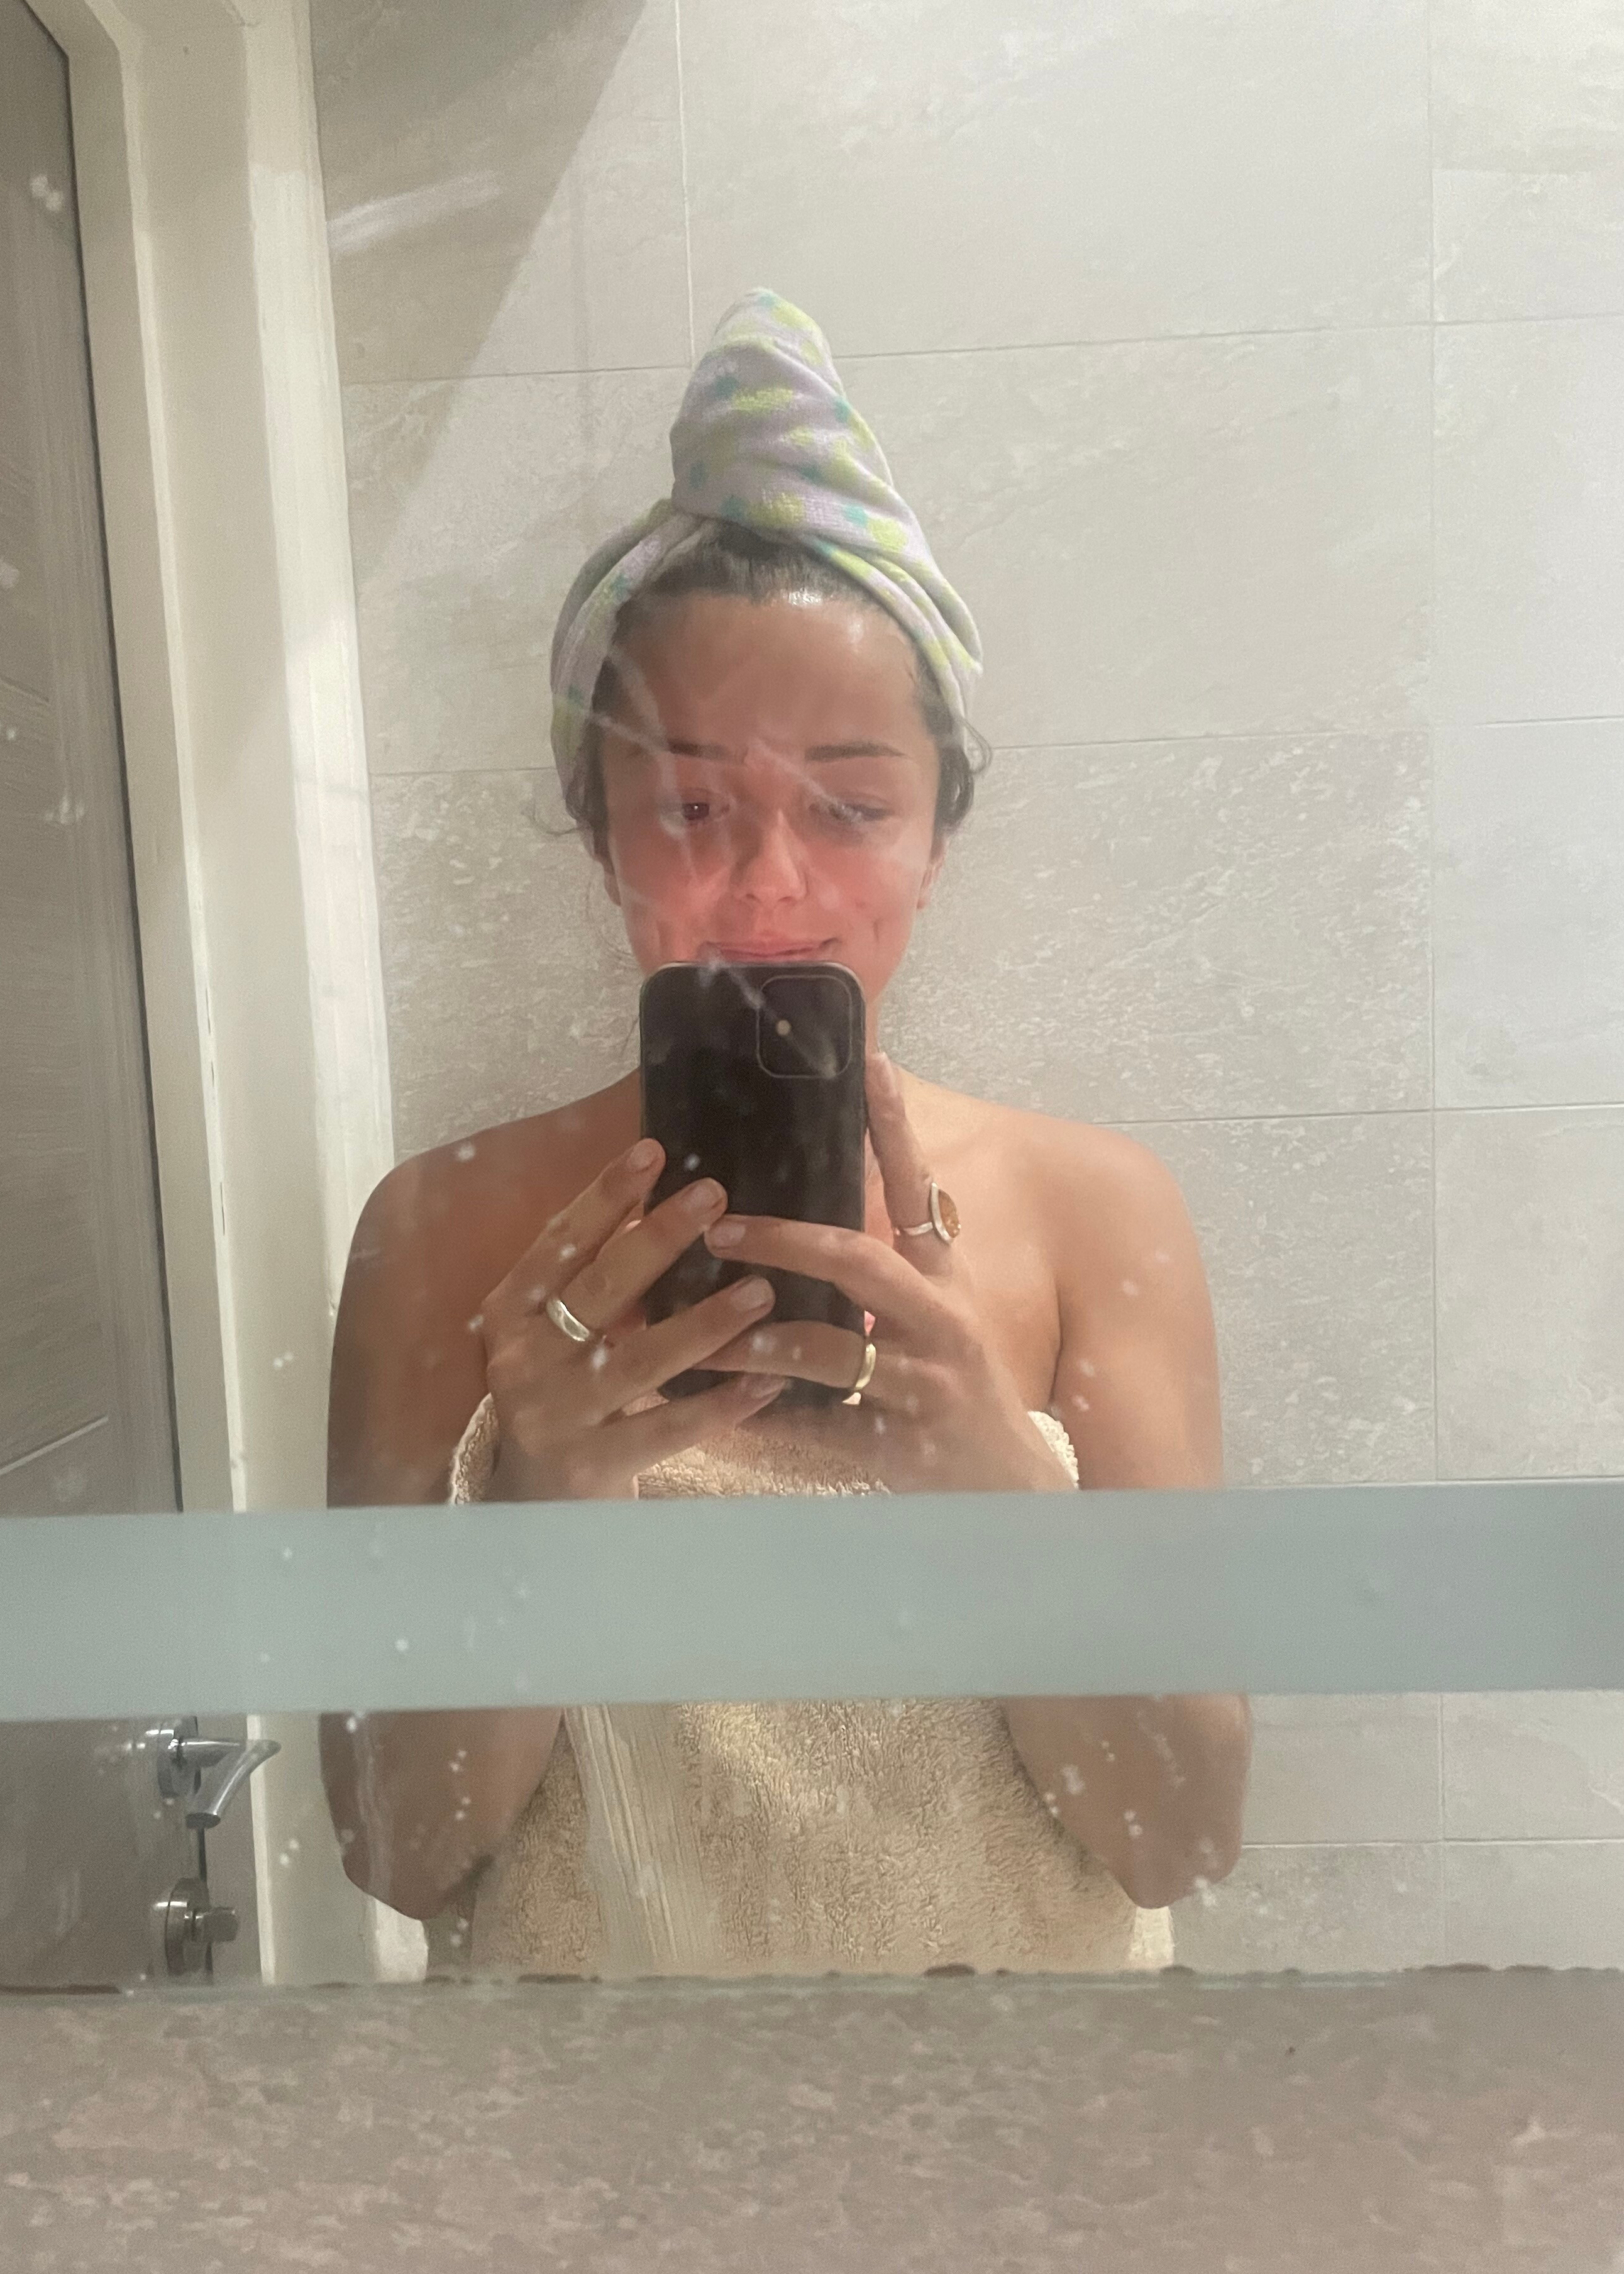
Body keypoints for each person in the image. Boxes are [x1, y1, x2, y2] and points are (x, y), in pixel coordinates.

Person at [322, 290, 1249, 1977]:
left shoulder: (1095, 1216)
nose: (768, 885)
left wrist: (999, 1495)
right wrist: (532, 1515)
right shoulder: (442, 1233)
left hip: (1018, 2111)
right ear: (601, 839)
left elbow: (1181, 1836)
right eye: (689, 805)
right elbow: (396, 1851)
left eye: (852, 804)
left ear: (936, 839)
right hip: (605, 2119)